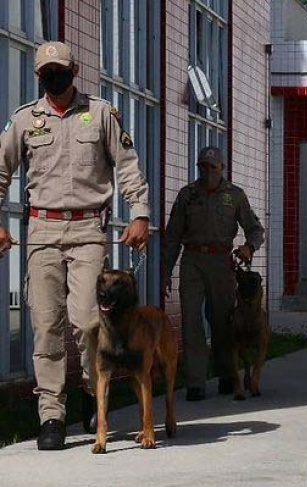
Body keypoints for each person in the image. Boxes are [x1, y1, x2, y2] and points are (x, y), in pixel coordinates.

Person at [0, 41, 150, 450]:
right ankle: (51, 413)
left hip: (87, 231)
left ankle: (90, 387)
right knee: (45, 325)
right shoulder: (24, 121)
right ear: (38, 76)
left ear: (75, 69)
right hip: (43, 232)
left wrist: (140, 213)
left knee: (87, 321)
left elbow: (127, 166)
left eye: (60, 69)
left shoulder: (100, 113)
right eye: (47, 71)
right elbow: (0, 169)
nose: (54, 76)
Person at [163, 146, 265, 401]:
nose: (208, 171)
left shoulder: (235, 195)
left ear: (222, 168)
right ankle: (196, 382)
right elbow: (172, 236)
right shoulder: (187, 195)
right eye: (203, 167)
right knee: (191, 320)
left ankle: (225, 374)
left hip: (221, 261)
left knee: (221, 321)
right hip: (193, 260)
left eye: (213, 167)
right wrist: (165, 271)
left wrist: (248, 247)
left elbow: (255, 229)